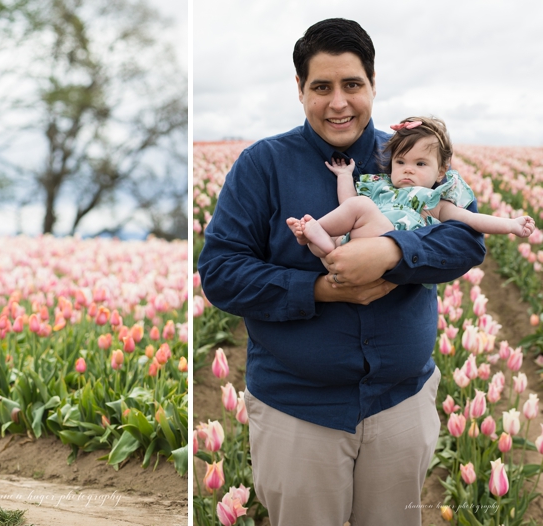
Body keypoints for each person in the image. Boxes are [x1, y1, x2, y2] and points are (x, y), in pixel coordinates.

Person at [197, 19, 486, 525]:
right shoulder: (262, 165)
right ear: (299, 89)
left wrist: (394, 254)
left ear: (373, 84)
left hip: (402, 401)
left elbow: (466, 239)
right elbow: (221, 271)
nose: (339, 102)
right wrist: (320, 289)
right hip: (298, 409)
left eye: (352, 85)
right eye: (321, 87)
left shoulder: (411, 156)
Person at [287, 116, 534, 257]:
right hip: (353, 243)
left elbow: (471, 219)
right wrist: (344, 175)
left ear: (440, 171)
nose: (408, 169)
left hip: (386, 244)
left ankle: (315, 228)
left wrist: (510, 225)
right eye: (401, 161)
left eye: (420, 163)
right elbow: (347, 202)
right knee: (342, 225)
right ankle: (318, 240)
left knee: (359, 206)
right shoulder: (381, 187)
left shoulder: (434, 201)